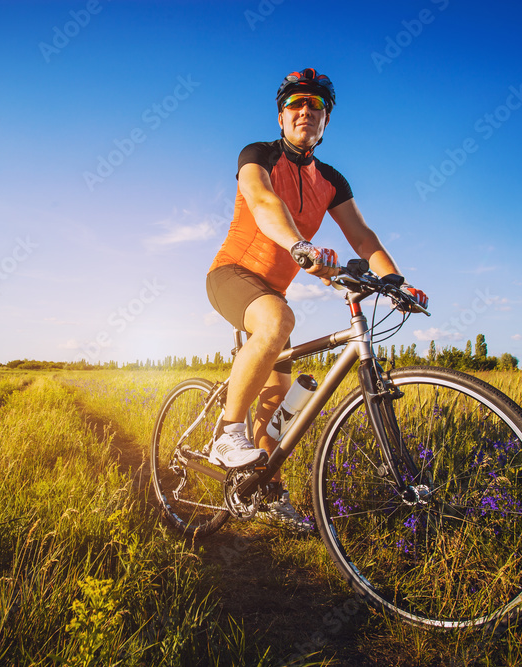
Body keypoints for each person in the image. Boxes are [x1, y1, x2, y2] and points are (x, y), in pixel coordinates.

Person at [205, 68, 428, 529]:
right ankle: (226, 433)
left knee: (280, 408)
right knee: (277, 321)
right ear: (282, 116)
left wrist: (396, 281)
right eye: (295, 104)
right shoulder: (259, 155)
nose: (305, 111)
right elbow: (264, 202)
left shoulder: (331, 180)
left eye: (316, 106)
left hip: (274, 292)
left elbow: (363, 236)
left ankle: (267, 493)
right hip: (232, 274)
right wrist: (298, 246)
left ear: (325, 121)